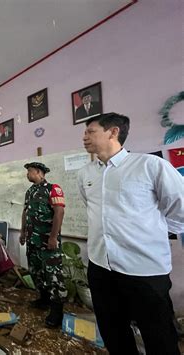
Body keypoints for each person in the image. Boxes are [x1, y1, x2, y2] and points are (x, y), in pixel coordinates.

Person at [78, 112, 183, 355]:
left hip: (144, 270)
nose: (84, 137)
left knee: (159, 337)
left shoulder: (150, 166)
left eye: (90, 131)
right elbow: (95, 211)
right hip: (101, 267)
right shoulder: (86, 174)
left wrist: (149, 233)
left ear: (113, 132)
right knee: (113, 332)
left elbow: (180, 210)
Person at [20, 162, 67, 327]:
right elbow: (25, 212)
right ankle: (43, 300)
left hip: (48, 243)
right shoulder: (30, 191)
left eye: (30, 171)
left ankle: (56, 312)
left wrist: (53, 237)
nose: (27, 174)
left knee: (54, 276)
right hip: (33, 241)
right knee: (36, 272)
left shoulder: (53, 188)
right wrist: (22, 232)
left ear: (39, 172)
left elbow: (59, 212)